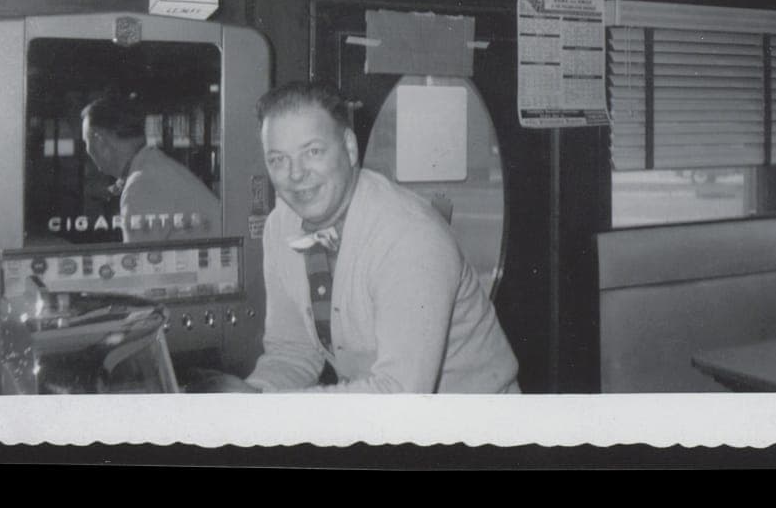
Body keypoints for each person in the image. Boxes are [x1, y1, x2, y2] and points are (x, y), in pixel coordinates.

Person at [230, 80, 519, 393]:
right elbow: (292, 352)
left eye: (312, 151)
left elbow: (399, 394)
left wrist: (274, 412)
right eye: (278, 160)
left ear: (350, 148)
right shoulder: (280, 227)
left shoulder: (409, 236)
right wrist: (253, 396)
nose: (296, 174)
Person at [80, 96, 221, 243]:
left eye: (86, 142)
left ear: (100, 141)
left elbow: (138, 263)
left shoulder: (141, 185)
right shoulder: (155, 168)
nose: (86, 150)